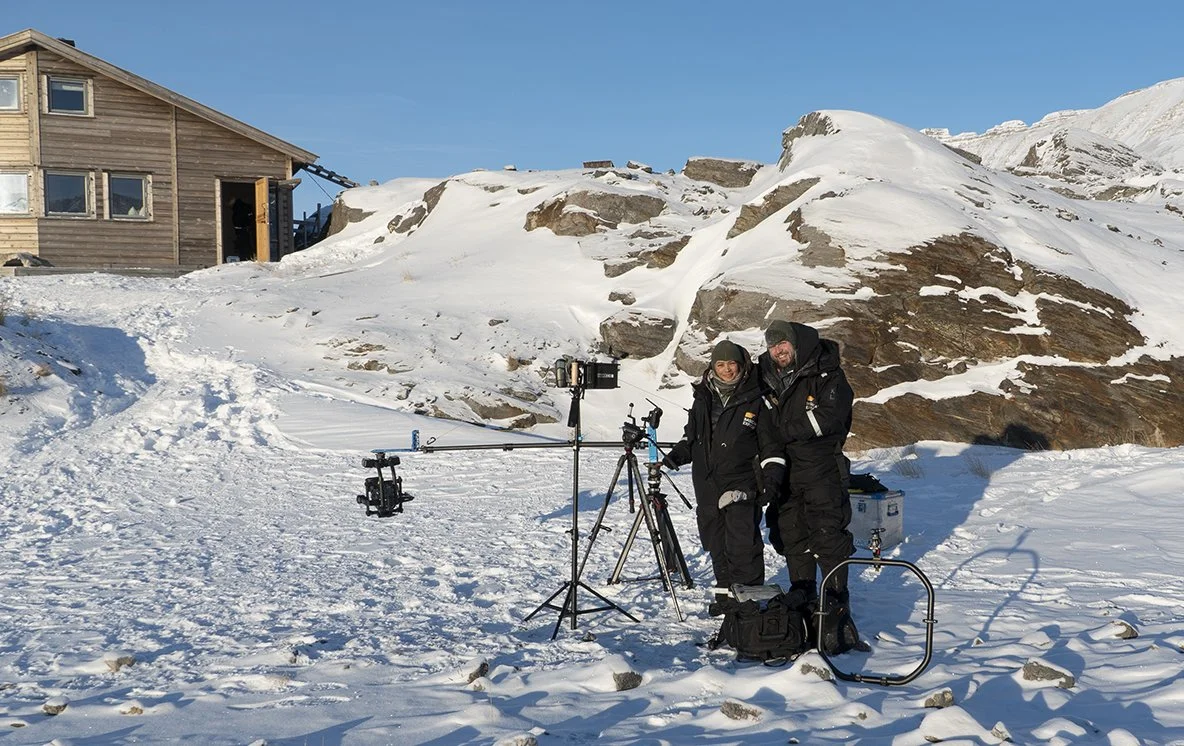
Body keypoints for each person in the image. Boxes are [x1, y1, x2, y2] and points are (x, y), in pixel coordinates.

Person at [758, 320, 866, 654]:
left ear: (797, 344)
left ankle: (835, 610)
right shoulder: (766, 376)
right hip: (786, 471)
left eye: (784, 344)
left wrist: (782, 429)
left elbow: (829, 418)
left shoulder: (827, 374)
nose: (779, 350)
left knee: (829, 538)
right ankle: (803, 602)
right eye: (773, 345)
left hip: (822, 470)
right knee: (792, 537)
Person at [662, 339, 783, 621]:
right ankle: (725, 597)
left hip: (742, 482)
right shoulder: (703, 396)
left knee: (743, 545)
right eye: (720, 364)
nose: (727, 370)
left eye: (731, 364)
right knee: (717, 544)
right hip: (706, 483)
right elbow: (694, 439)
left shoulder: (757, 397)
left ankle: (749, 602)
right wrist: (676, 455)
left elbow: (770, 446)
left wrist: (771, 478)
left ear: (741, 366)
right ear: (712, 367)